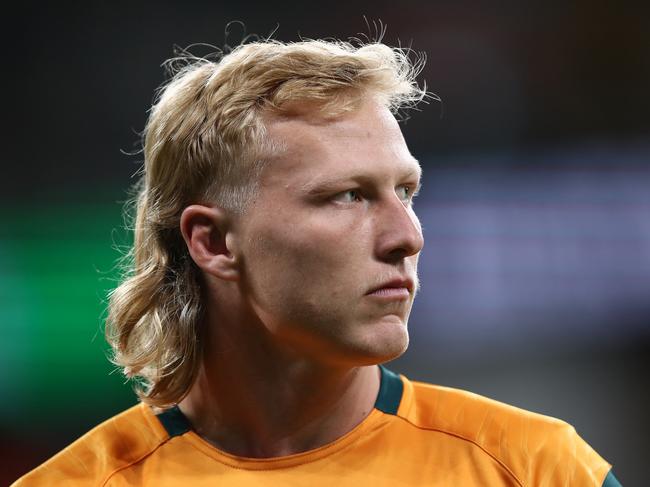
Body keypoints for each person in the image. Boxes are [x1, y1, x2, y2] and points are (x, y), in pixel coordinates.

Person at [14, 36, 621, 486]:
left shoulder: (534, 468)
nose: (407, 236)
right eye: (348, 196)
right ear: (214, 243)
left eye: (405, 192)